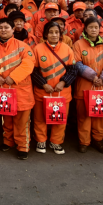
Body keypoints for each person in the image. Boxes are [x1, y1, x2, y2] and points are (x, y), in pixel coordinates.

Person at [0, 17, 35, 160]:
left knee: (22, 121)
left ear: (13, 29)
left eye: (6, 27)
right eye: (1, 28)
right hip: (2, 88)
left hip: (20, 89)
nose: (3, 30)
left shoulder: (23, 46)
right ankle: (8, 141)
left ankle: (23, 146)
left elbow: (28, 64)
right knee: (6, 119)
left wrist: (13, 77)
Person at [32, 22, 77, 155]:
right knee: (40, 118)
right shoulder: (37, 49)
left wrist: (63, 82)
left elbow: (73, 70)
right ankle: (41, 140)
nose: (54, 35)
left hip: (61, 92)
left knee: (60, 118)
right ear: (45, 34)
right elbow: (33, 71)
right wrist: (43, 84)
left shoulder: (67, 49)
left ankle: (56, 141)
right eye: (50, 32)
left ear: (60, 34)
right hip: (43, 91)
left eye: (57, 32)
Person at [73, 17, 103, 154]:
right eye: (90, 27)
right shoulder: (78, 44)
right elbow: (77, 63)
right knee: (84, 116)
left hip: (102, 86)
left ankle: (98, 140)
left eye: (96, 27)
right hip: (85, 85)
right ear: (85, 29)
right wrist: (93, 76)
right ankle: (84, 142)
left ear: (100, 29)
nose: (93, 30)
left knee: (100, 115)